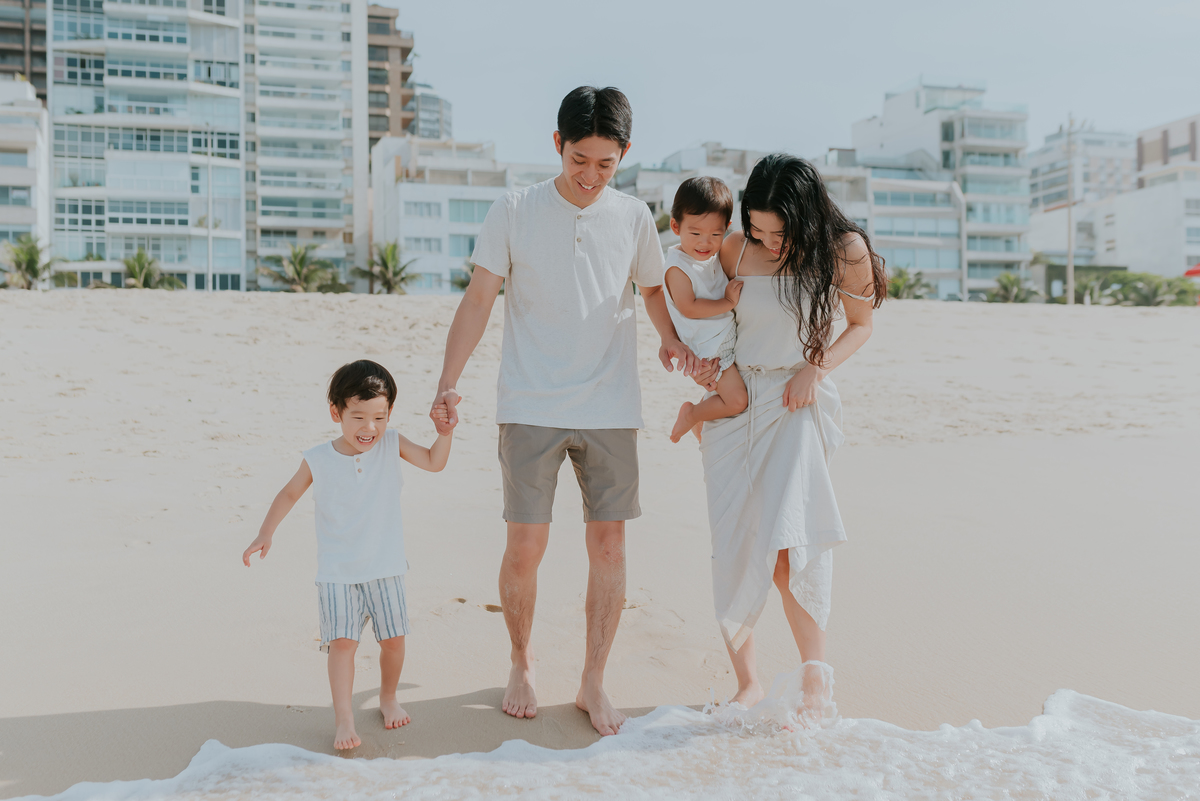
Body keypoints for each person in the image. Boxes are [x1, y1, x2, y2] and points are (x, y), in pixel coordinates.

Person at [428, 86, 697, 736]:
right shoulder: (514, 208)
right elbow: (479, 298)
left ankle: (593, 678)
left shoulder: (634, 216)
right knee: (526, 546)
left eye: (606, 163)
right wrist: (447, 381)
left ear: (624, 155)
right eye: (580, 159)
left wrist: (671, 341)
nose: (590, 176)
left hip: (611, 407)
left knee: (609, 543)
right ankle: (521, 659)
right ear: (557, 144)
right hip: (530, 403)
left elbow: (653, 289)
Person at [693, 154, 886, 723]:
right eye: (758, 230)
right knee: (734, 543)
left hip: (795, 404)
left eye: (781, 232)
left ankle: (815, 681)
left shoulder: (843, 249)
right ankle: (748, 683)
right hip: (734, 412)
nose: (768, 243)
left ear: (806, 217)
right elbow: (713, 322)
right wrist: (707, 367)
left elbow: (862, 324)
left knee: (789, 549)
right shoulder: (731, 249)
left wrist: (815, 369)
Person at [242, 360, 455, 750]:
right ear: (336, 412)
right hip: (338, 572)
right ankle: (344, 719)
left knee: (393, 640)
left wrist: (444, 433)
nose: (369, 428)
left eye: (380, 416)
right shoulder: (318, 458)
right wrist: (265, 532)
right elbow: (289, 493)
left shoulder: (392, 443)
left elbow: (433, 462)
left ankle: (388, 696)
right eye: (358, 416)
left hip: (385, 567)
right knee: (343, 643)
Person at [662, 176, 749, 443]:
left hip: (721, 337)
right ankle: (693, 415)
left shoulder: (710, 258)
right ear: (676, 226)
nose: (705, 242)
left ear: (727, 229)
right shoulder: (678, 267)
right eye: (696, 233)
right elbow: (688, 307)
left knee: (724, 394)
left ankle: (702, 422)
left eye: (715, 234)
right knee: (737, 401)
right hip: (710, 348)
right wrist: (727, 303)